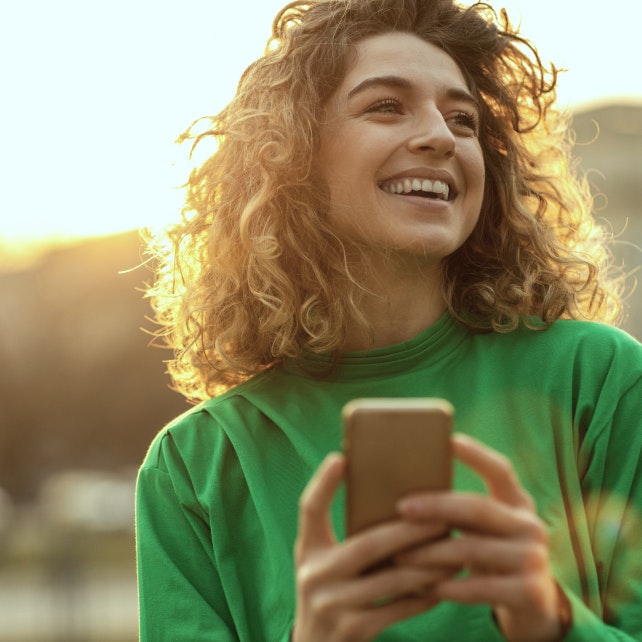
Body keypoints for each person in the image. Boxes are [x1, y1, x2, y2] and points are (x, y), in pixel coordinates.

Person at [135, 0, 642, 640]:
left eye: (464, 119)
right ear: (291, 158)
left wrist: (550, 622)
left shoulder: (600, 379)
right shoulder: (197, 462)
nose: (441, 135)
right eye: (386, 106)